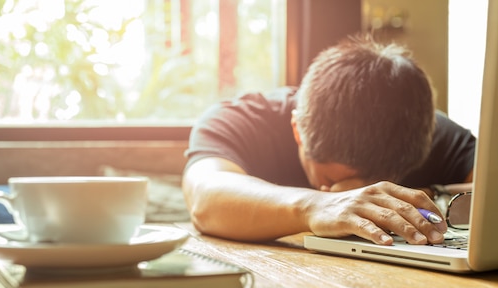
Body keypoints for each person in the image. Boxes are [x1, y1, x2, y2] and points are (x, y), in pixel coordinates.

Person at [182, 36, 476, 246]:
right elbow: (205, 198)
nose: (357, 194)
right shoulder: (242, 120)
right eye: (330, 178)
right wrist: (319, 205)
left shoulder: (422, 127)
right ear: (298, 131)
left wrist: (431, 193)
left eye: (375, 183)